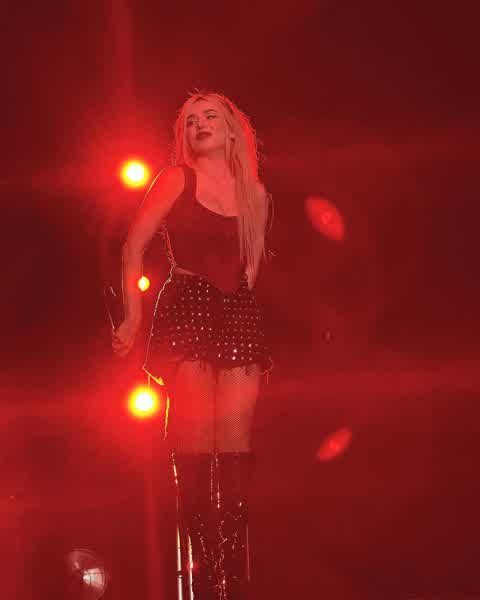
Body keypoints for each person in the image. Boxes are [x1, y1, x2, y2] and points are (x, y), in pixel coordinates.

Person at [112, 91, 273, 599]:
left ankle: (233, 570)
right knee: (198, 440)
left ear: (232, 131)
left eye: (210, 117)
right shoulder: (175, 180)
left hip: (238, 311)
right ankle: (204, 570)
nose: (199, 125)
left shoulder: (255, 194)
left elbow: (251, 266)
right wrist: (133, 317)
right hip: (188, 305)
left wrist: (241, 304)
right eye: (190, 120)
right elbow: (133, 246)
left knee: (236, 442)